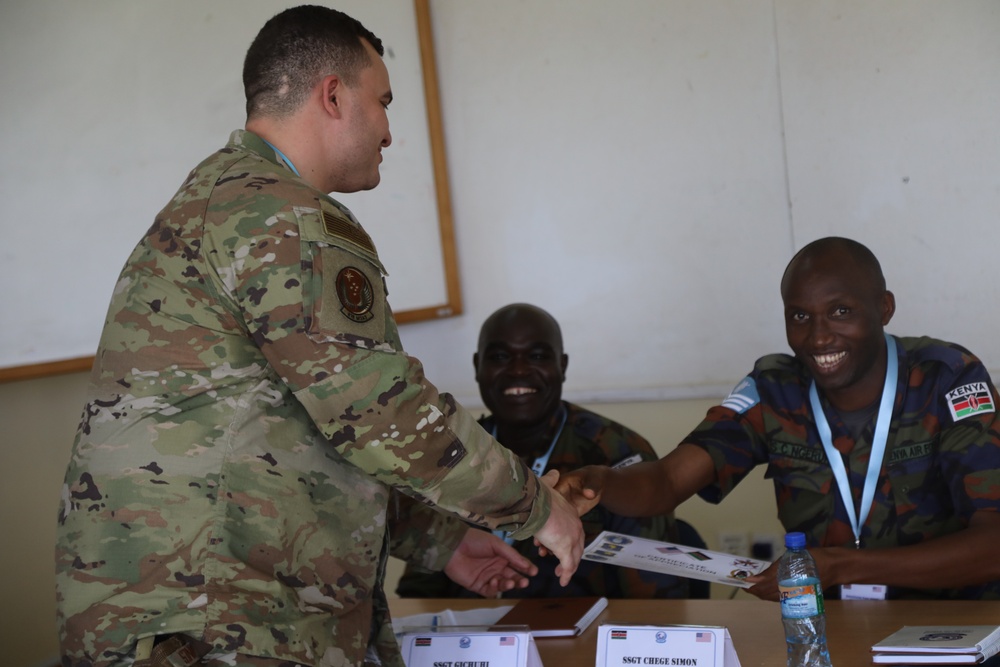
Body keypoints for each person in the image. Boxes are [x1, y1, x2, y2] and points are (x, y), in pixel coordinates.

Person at [54, 7, 584, 667]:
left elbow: (295, 431)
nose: (390, 129)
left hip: (187, 610)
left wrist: (443, 540)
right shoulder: (287, 217)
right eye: (383, 101)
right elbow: (376, 410)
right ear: (333, 95)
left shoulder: (224, 198)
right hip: (220, 619)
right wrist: (538, 507)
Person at [555, 237, 1000, 601]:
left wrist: (840, 565)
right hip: (828, 626)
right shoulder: (773, 388)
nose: (820, 336)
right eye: (800, 316)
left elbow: (992, 543)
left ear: (884, 308)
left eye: (841, 311)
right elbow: (668, 481)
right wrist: (600, 482)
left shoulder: (947, 378)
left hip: (955, 627)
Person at [397, 303, 692, 599]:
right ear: (478, 366)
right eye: (500, 357)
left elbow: (656, 599)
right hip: (469, 637)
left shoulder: (617, 452)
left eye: (537, 356)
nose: (519, 370)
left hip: (584, 640)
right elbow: (420, 594)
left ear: (562, 366)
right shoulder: (446, 453)